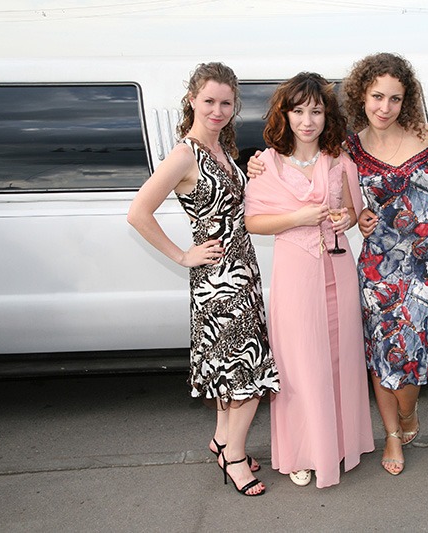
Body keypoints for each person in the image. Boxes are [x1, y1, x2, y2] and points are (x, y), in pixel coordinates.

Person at [127, 62, 279, 497]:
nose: (217, 110)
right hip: (218, 281)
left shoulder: (223, 150)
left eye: (226, 103)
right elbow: (138, 213)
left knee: (230, 369)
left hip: (243, 271)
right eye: (209, 101)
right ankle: (235, 458)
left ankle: (221, 440)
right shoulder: (185, 154)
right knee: (246, 372)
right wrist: (182, 255)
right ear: (192, 99)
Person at [243, 72, 374, 489]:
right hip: (295, 274)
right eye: (298, 111)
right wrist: (298, 217)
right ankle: (302, 451)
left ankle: (339, 444)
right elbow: (253, 222)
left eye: (316, 111)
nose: (307, 121)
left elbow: (353, 211)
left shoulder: (340, 161)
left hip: (337, 269)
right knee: (299, 364)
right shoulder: (266, 164)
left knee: (339, 359)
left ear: (326, 116)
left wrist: (345, 218)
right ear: (285, 115)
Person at [342, 53, 428, 475]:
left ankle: (407, 412)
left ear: (407, 101)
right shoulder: (350, 148)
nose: (384, 107)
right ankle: (390, 434)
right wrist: (359, 215)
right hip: (377, 268)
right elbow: (338, 199)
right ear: (361, 96)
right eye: (377, 97)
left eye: (395, 98)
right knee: (381, 352)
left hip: (424, 268)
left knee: (411, 357)